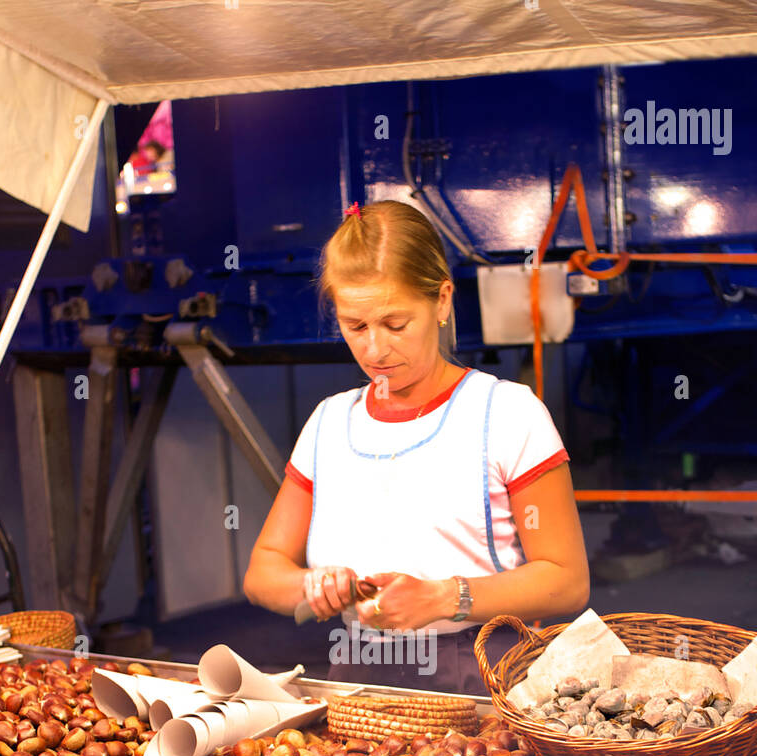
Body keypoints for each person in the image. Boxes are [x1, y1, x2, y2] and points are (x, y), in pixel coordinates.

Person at [243, 199, 590, 693]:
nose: (375, 349)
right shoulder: (328, 424)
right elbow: (262, 573)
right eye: (355, 326)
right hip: (361, 682)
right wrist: (312, 587)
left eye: (395, 324)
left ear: (443, 300)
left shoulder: (506, 414)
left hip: (487, 677)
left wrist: (447, 598)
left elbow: (567, 580)